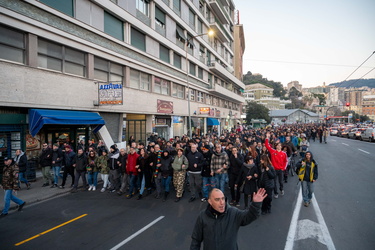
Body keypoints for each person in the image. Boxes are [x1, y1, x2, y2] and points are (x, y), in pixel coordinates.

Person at [190, 188, 267, 250]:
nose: (222, 202)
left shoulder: (233, 213)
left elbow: (249, 216)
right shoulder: (203, 216)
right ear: (210, 201)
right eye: (217, 199)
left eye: (223, 198)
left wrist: (256, 204)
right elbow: (196, 240)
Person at [265, 132, 287, 198]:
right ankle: (276, 193)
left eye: (280, 145)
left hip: (280, 170)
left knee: (280, 181)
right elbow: (267, 145)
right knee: (274, 182)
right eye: (277, 145)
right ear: (276, 146)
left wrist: (283, 168)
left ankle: (281, 189)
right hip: (274, 169)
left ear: (281, 146)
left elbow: (286, 161)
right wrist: (267, 137)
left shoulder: (284, 153)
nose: (278, 146)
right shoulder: (273, 151)